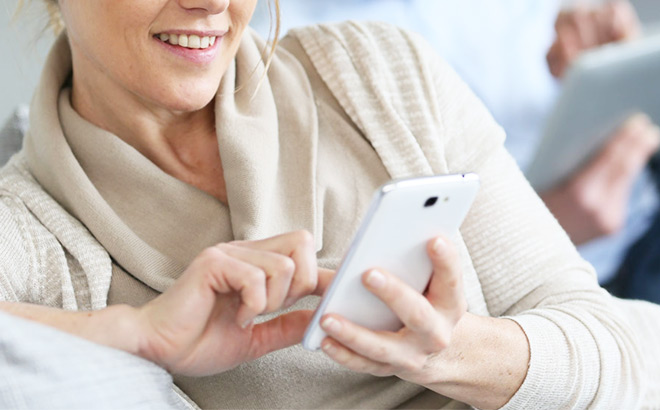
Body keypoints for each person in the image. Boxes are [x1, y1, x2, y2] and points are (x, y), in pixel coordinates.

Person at [1, 0, 659, 408]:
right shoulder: (32, 230)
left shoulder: (375, 75)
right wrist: (132, 335)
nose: (209, 3)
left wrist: (453, 352)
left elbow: (625, 354)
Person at [251, 0, 660, 300]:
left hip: (648, 196)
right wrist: (532, 232)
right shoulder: (275, 47)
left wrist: (612, 46)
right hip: (567, 285)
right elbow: (359, 260)